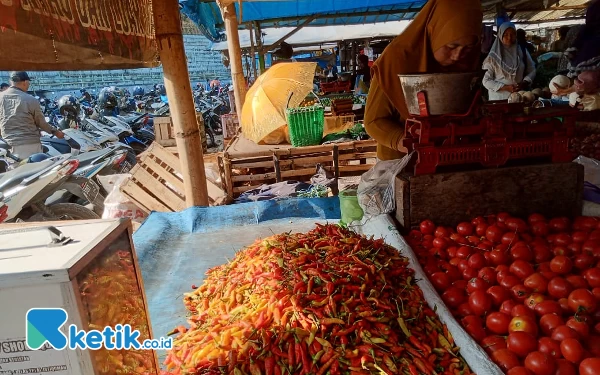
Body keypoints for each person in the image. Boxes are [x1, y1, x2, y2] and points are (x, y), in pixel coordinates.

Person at [364, 0, 482, 161]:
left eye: (467, 47)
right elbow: (373, 121)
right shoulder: (396, 60)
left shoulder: (467, 63)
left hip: (451, 159)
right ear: (434, 31)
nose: (457, 55)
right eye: (451, 46)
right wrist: (404, 141)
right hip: (399, 163)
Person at [0, 71, 64, 159]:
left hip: (6, 145)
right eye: (29, 82)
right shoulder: (30, 99)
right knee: (36, 170)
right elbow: (41, 123)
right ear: (25, 82)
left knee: (16, 171)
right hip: (29, 144)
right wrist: (56, 133)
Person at [482, 22, 536, 101]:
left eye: (512, 34)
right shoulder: (493, 57)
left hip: (520, 97)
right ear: (500, 35)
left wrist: (525, 82)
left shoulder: (522, 51)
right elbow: (486, 81)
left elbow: (532, 69)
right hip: (499, 99)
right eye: (506, 34)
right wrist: (505, 87)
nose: (509, 38)